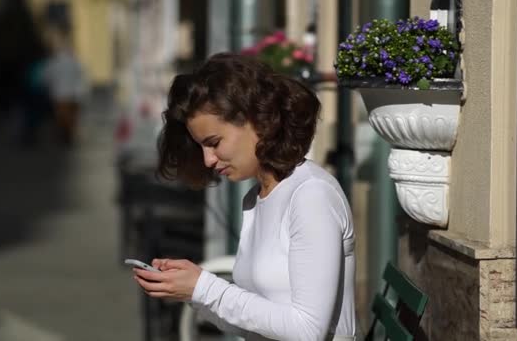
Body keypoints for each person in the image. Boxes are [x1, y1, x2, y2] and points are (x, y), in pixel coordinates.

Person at [132, 53, 357, 341]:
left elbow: (307, 330)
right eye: (201, 147)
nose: (208, 160)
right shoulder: (256, 198)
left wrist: (204, 287)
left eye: (214, 143)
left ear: (258, 121)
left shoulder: (311, 196)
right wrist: (191, 290)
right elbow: (254, 322)